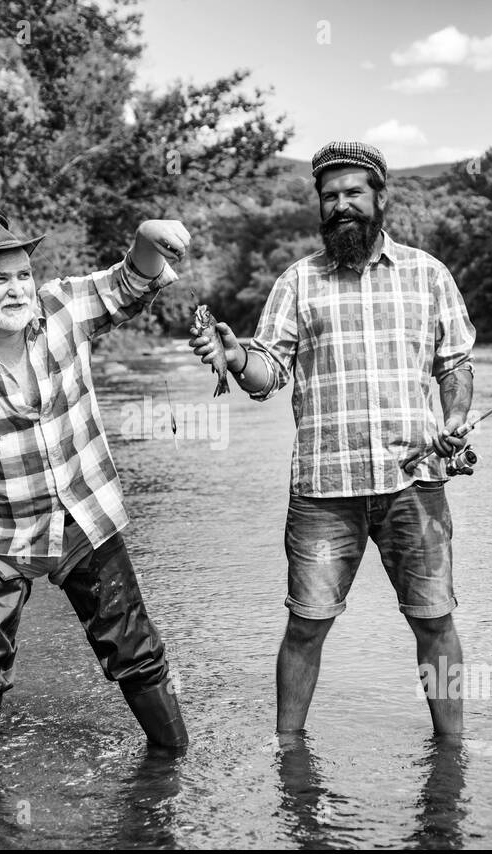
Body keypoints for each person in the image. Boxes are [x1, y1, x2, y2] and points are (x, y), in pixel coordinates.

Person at [190, 141, 476, 737]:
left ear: (380, 199)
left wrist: (453, 421)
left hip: (414, 484)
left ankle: (452, 750)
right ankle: (287, 749)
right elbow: (268, 373)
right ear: (320, 207)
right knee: (306, 624)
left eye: (353, 194)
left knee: (435, 621)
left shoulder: (429, 274)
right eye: (330, 197)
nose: (342, 205)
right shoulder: (297, 282)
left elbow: (455, 366)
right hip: (325, 491)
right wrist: (236, 355)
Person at [0, 212, 192, 760]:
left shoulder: (63, 307)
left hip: (84, 514)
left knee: (133, 645)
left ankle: (172, 758)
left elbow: (130, 280)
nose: (17, 289)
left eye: (23, 275)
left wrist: (147, 239)